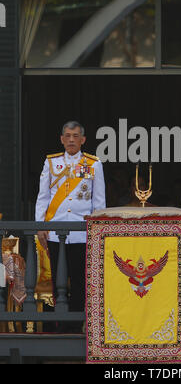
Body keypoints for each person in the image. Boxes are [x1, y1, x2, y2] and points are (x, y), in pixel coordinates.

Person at [35, 121, 106, 332]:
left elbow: (99, 201)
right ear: (62, 139)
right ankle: (59, 325)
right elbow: (43, 197)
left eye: (76, 136)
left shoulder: (93, 163)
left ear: (83, 140)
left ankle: (75, 326)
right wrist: (40, 225)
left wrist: (97, 230)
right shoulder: (51, 162)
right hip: (55, 232)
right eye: (68, 135)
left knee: (79, 281)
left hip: (81, 233)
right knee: (58, 280)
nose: (72, 140)